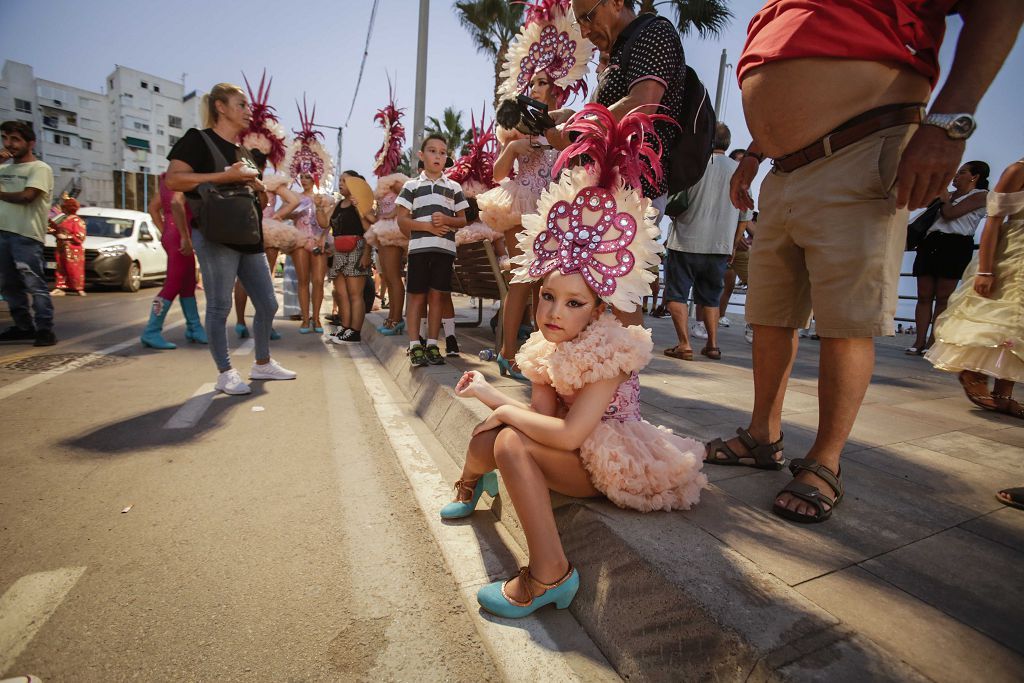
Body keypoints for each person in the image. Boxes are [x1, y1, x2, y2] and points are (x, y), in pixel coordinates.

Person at [711, 0, 1023, 524]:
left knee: (847, 320)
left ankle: (825, 460)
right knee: (769, 313)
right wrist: (755, 153)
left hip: (863, 147)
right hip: (784, 171)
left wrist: (948, 124)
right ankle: (762, 435)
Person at [444, 105, 706, 619]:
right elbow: (544, 414)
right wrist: (494, 402)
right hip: (567, 443)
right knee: (493, 437)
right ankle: (472, 479)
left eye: (573, 302)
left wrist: (496, 405)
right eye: (546, 296)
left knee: (508, 440)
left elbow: (565, 436)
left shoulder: (609, 353)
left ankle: (550, 575)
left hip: (605, 455)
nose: (551, 312)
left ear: (600, 308)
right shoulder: (548, 347)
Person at [166, 82, 296, 395]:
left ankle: (262, 363)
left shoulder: (242, 151)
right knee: (219, 306)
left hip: (248, 235)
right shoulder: (198, 140)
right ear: (220, 107)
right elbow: (174, 179)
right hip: (215, 234)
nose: (247, 110)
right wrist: (224, 177)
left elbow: (253, 194)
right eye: (241, 104)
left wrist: (259, 190)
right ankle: (225, 372)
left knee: (267, 303)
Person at [925, 158, 1023, 419]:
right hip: (1014, 254)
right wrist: (986, 269)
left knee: (1021, 325)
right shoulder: (1018, 170)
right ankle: (974, 371)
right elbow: (993, 220)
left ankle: (1004, 393)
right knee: (1001, 315)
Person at [663, 123, 751, 362]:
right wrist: (733, 244)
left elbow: (674, 203)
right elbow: (744, 216)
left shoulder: (695, 166)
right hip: (719, 246)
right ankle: (713, 345)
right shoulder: (739, 170)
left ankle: (684, 344)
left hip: (685, 241)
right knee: (711, 297)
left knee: (676, 295)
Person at [233, 74, 302, 340]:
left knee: (242, 279)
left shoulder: (239, 176)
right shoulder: (270, 180)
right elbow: (294, 200)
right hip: (269, 231)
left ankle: (240, 322)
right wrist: (277, 215)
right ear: (265, 164)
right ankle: (266, 326)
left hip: (245, 230)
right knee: (265, 280)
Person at [396, 134, 468, 368]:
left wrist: (447, 219)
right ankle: (415, 344)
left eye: (442, 152)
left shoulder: (453, 187)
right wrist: (426, 226)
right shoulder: (411, 186)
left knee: (437, 296)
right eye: (432, 151)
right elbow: (402, 221)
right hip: (418, 250)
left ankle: (432, 343)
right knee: (416, 296)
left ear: (446, 158)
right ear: (421, 155)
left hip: (444, 251)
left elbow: (462, 220)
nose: (437, 156)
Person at [907, 161, 989, 354]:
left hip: (956, 244)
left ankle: (932, 343)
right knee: (923, 295)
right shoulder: (949, 195)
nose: (956, 176)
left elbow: (951, 213)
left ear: (974, 176)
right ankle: (918, 341)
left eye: (962, 173)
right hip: (932, 242)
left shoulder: (981, 195)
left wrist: (944, 199)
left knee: (943, 297)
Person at [0, 121, 56, 346]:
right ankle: (23, 326)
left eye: (15, 139)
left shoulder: (40, 168)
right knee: (8, 285)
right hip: (2, 233)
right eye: (5, 138)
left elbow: (27, 196)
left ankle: (45, 330)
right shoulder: (4, 168)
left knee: (34, 284)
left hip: (26, 235)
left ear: (30, 143)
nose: (9, 144)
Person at [283, 100, 335, 334]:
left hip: (320, 241)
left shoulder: (323, 197)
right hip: (300, 242)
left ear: (315, 176)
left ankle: (317, 318)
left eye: (308, 176)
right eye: (301, 176)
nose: (304, 180)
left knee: (318, 282)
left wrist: (323, 236)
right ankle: (305, 319)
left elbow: (327, 224)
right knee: (303, 282)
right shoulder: (293, 197)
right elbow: (288, 217)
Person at [140, 173, 207, 349]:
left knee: (187, 283)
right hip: (179, 234)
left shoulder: (168, 180)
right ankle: (151, 331)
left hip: (175, 233)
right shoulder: (184, 178)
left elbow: (153, 207)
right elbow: (175, 203)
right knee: (173, 284)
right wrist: (182, 235)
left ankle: (194, 328)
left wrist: (164, 231)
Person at [327, 170, 376, 344]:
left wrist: (366, 253)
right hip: (339, 251)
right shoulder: (338, 204)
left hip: (357, 248)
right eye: (340, 180)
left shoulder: (361, 203)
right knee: (341, 293)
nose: (341, 183)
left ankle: (355, 331)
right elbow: (325, 223)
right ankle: (345, 327)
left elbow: (368, 229)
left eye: (345, 181)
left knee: (355, 294)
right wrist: (319, 206)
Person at [366, 173, 409, 335]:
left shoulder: (396, 181)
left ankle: (397, 319)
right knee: (388, 278)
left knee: (393, 277)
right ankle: (392, 317)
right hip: (382, 229)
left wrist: (393, 214)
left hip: (394, 230)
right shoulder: (381, 186)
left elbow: (407, 196)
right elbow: (379, 213)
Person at [49, 195, 87, 296]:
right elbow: (55, 229)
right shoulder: (62, 219)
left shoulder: (77, 221)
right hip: (61, 248)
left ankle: (78, 288)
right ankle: (60, 287)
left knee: (74, 269)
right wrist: (53, 232)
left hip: (73, 250)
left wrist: (67, 237)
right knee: (60, 267)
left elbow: (80, 236)